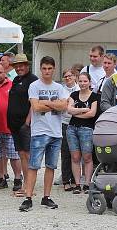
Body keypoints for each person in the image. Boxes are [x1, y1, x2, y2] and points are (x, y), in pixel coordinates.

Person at [19, 56, 69, 212]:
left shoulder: (60, 87)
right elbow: (35, 107)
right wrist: (55, 105)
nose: (47, 71)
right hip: (40, 131)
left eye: (49, 68)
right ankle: (28, 197)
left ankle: (46, 197)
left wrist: (46, 103)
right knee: (34, 165)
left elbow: (64, 106)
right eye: (44, 68)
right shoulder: (34, 86)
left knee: (51, 166)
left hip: (56, 132)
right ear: (40, 69)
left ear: (53, 69)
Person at [0, 62, 22, 191]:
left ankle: (18, 178)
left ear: (5, 72)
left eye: (0, 72)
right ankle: (1, 178)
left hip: (10, 127)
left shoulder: (12, 85)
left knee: (14, 154)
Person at [7, 54, 38, 195]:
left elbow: (34, 103)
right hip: (14, 124)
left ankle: (29, 186)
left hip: (25, 125)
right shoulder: (15, 80)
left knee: (28, 155)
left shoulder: (33, 81)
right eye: (16, 66)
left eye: (21, 65)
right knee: (22, 154)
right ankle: (26, 184)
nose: (19, 68)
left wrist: (27, 122)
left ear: (27, 65)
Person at [66, 72, 99, 193]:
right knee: (75, 157)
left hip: (87, 129)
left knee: (87, 157)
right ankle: (77, 183)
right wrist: (84, 110)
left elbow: (92, 114)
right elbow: (69, 110)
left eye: (85, 81)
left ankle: (87, 182)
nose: (82, 83)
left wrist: (76, 112)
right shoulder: (73, 94)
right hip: (72, 129)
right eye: (80, 81)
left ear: (89, 82)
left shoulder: (94, 96)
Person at [59, 68, 80, 191]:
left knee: (76, 154)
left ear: (75, 76)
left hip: (78, 122)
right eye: (65, 76)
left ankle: (75, 179)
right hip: (64, 122)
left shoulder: (79, 89)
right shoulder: (61, 90)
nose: (68, 78)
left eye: (70, 75)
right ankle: (66, 180)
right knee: (66, 153)